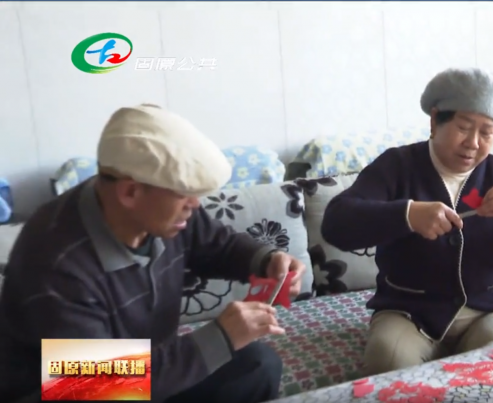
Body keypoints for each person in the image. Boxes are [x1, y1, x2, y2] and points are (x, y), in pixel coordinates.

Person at [0, 104, 307, 403]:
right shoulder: (56, 264)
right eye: (184, 194)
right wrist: (219, 337)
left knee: (256, 365)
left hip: (147, 372)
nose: (195, 204)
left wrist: (266, 261)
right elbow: (94, 385)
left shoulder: (164, 213)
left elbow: (218, 245)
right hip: (79, 388)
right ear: (130, 192)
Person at [321, 68, 493, 376]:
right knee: (388, 362)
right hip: (409, 310)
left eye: (487, 133)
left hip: (490, 309)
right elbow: (336, 224)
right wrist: (407, 214)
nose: (473, 143)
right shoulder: (397, 166)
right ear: (434, 121)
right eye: (463, 128)